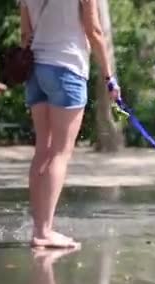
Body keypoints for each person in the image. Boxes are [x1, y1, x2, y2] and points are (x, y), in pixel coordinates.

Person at [20, 0, 120, 248]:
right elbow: (94, 30)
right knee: (60, 153)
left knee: (43, 149)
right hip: (66, 69)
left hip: (35, 71)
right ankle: (44, 231)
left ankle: (39, 227)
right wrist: (109, 77)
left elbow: (25, 34)